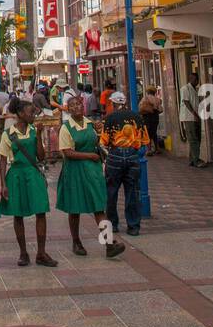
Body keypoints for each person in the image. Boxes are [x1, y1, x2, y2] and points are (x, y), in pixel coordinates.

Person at [56, 93, 125, 259]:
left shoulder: (91, 124)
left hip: (92, 171)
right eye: (72, 106)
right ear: (68, 109)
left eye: (78, 105)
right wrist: (89, 156)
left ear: (83, 106)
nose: (76, 108)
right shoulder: (66, 128)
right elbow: (67, 152)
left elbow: (99, 142)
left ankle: (109, 244)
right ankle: (76, 241)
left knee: (98, 206)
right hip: (74, 171)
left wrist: (100, 135)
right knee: (75, 208)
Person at [0, 99, 57, 268]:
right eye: (31, 112)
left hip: (33, 173)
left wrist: (38, 136)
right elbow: (3, 161)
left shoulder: (34, 131)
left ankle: (41, 252)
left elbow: (40, 157)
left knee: (41, 211)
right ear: (20, 114)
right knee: (18, 214)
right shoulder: (8, 133)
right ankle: (23, 252)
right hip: (16, 175)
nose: (33, 115)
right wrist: (3, 184)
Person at [101, 92, 150, 237]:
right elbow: (145, 141)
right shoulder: (136, 117)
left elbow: (104, 141)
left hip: (115, 156)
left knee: (111, 192)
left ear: (115, 104)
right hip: (132, 156)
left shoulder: (109, 118)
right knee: (132, 192)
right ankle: (133, 226)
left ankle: (113, 224)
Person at [180, 70, 205, 167]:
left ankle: (192, 159)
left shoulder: (195, 89)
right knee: (193, 139)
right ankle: (196, 160)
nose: (196, 81)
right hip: (189, 117)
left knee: (196, 138)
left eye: (197, 79)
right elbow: (186, 102)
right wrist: (194, 114)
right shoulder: (185, 89)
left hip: (196, 116)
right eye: (195, 79)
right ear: (191, 79)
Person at [138, 85, 163, 155]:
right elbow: (160, 109)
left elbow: (140, 107)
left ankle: (149, 149)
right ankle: (157, 148)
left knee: (147, 133)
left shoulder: (145, 98)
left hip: (147, 116)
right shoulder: (157, 99)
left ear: (148, 92)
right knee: (154, 132)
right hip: (155, 117)